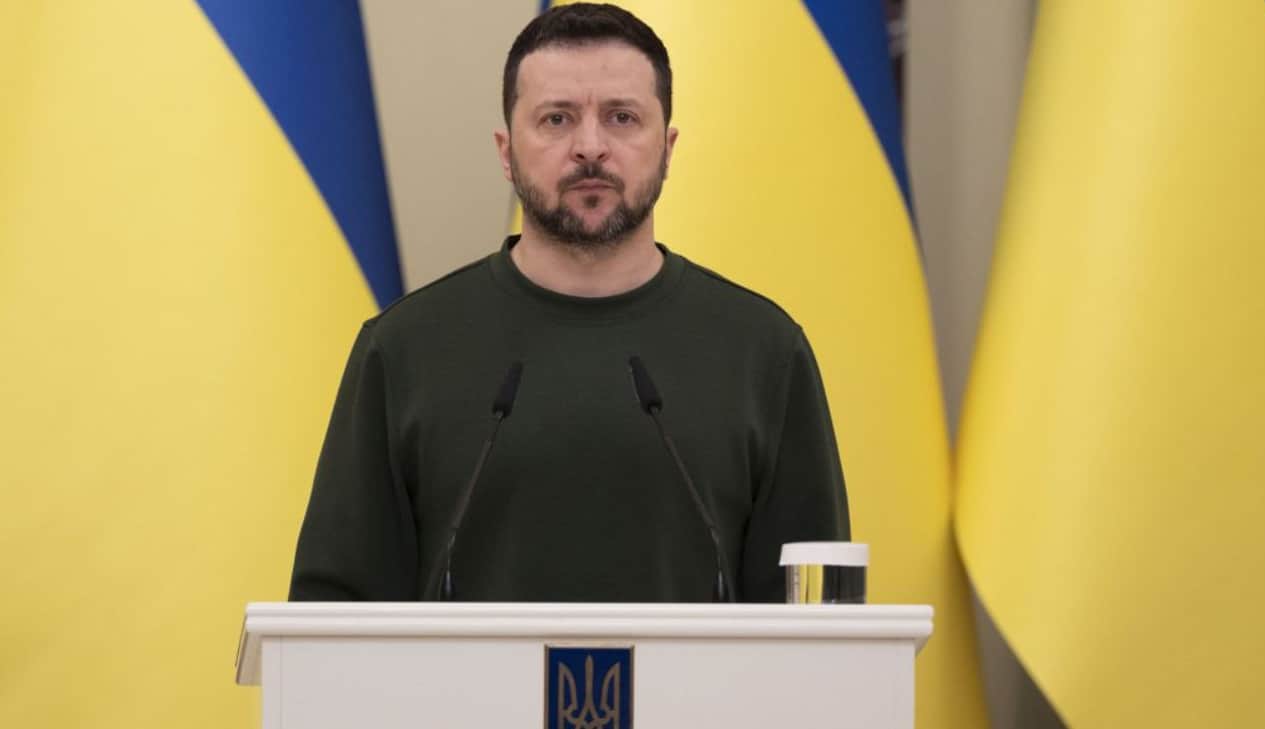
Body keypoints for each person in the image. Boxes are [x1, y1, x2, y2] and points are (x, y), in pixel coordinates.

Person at [289, 3, 849, 603]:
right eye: (556, 119)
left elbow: (816, 619)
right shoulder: (404, 349)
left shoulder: (763, 351)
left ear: (667, 147)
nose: (590, 147)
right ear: (506, 151)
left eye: (622, 118)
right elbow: (332, 613)